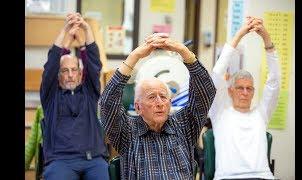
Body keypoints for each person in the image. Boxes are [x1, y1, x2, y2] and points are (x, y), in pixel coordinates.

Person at [99, 33, 216, 179]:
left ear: (170, 102)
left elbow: (206, 92)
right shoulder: (127, 132)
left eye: (163, 97)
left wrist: (182, 50)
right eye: (152, 97)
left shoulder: (184, 125)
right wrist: (135, 56)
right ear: (138, 107)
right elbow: (107, 104)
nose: (160, 103)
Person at [208, 16, 280, 180]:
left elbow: (274, 82)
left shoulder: (261, 113)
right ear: (231, 91)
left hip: (262, 176)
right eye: (240, 88)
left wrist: (266, 38)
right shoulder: (219, 112)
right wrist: (239, 34)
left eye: (249, 89)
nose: (245, 92)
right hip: (227, 177)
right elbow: (216, 76)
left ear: (253, 92)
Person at [40, 12, 109, 180]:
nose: (70, 74)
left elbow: (94, 64)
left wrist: (86, 29)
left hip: (93, 160)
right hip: (60, 162)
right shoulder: (51, 96)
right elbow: (51, 63)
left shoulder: (90, 91)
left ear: (80, 74)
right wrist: (65, 31)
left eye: (74, 70)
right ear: (58, 76)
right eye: (65, 71)